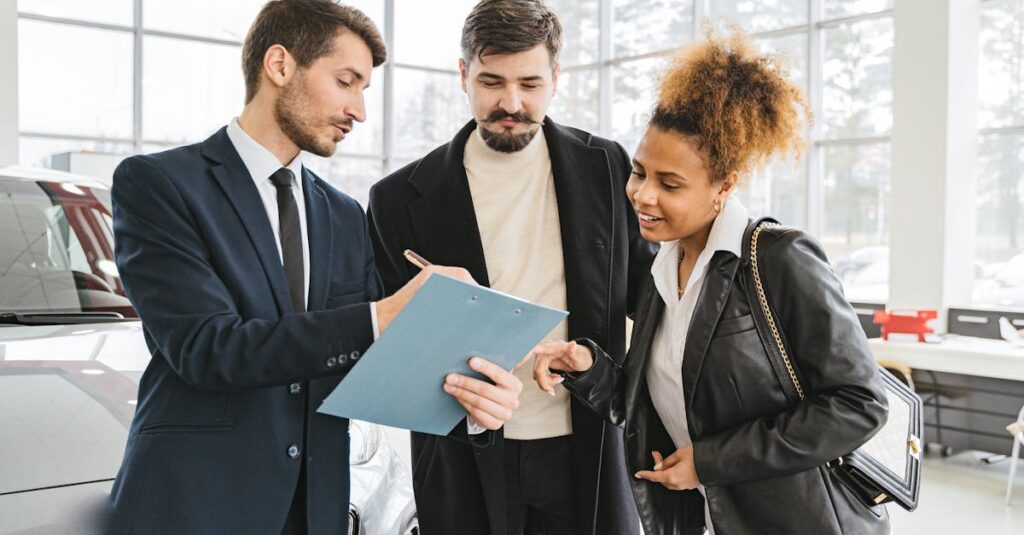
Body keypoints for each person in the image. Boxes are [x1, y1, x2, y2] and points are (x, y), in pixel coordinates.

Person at [108, 1, 520, 533]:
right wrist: (380, 316)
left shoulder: (344, 214)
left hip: (317, 510)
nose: (360, 110)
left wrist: (474, 397)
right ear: (279, 66)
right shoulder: (160, 185)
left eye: (364, 89)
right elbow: (206, 349)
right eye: (347, 82)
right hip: (197, 505)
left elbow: (375, 364)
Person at [531, 30, 891, 535]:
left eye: (670, 184)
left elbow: (860, 404)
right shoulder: (662, 268)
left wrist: (711, 461)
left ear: (724, 185)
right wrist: (589, 368)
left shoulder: (779, 259)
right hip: (696, 520)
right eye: (639, 173)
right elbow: (662, 406)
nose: (643, 195)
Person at [367, 1, 656, 533]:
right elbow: (392, 350)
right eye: (491, 81)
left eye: (530, 83)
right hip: (463, 457)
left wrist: (594, 364)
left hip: (587, 450)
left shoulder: (608, 166)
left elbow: (654, 297)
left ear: (555, 78)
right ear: (462, 75)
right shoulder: (397, 200)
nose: (511, 102)